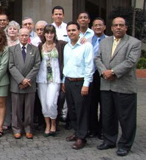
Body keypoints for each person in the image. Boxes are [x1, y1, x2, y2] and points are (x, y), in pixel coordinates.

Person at [95, 17, 141, 156]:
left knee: (126, 118)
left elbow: (130, 61)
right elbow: (97, 58)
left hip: (124, 86)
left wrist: (113, 72)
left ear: (126, 28)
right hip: (106, 85)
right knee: (108, 115)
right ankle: (109, 140)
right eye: (116, 25)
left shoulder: (134, 43)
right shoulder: (104, 42)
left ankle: (125, 145)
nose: (118, 27)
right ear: (111, 28)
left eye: (121, 25)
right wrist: (104, 71)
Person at [63, 21, 94, 150]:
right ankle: (77, 133)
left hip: (80, 82)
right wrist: (64, 80)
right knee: (73, 109)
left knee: (82, 110)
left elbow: (89, 66)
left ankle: (82, 137)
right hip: (69, 81)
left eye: (73, 30)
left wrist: (86, 84)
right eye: (69, 30)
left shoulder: (86, 46)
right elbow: (66, 64)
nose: (71, 33)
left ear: (79, 31)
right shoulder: (67, 47)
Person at [8, 28, 40, 139]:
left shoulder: (35, 49)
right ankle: (16, 129)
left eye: (26, 35)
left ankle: (28, 128)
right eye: (22, 35)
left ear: (29, 36)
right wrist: (21, 80)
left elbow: (37, 66)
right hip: (17, 83)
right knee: (16, 109)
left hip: (30, 84)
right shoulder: (12, 49)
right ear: (18, 36)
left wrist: (27, 80)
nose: (24, 37)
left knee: (29, 109)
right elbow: (11, 66)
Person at [36, 25, 66, 137]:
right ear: (44, 34)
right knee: (44, 104)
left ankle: (54, 123)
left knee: (51, 102)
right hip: (42, 79)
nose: (49, 35)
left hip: (55, 78)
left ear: (54, 34)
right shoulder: (40, 46)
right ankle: (47, 125)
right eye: (47, 33)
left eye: (51, 33)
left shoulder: (61, 45)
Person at [88, 17, 107, 138]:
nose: (98, 27)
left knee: (104, 103)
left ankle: (102, 129)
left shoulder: (109, 40)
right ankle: (92, 128)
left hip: (104, 74)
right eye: (95, 25)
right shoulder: (88, 40)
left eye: (100, 25)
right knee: (91, 103)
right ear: (92, 28)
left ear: (104, 27)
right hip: (92, 74)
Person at [2, 20, 20, 130]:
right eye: (10, 28)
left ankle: (16, 122)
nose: (12, 30)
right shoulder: (3, 43)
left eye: (14, 29)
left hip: (17, 74)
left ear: (18, 31)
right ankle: (6, 121)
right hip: (5, 73)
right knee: (6, 99)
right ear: (7, 31)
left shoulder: (22, 41)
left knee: (16, 99)